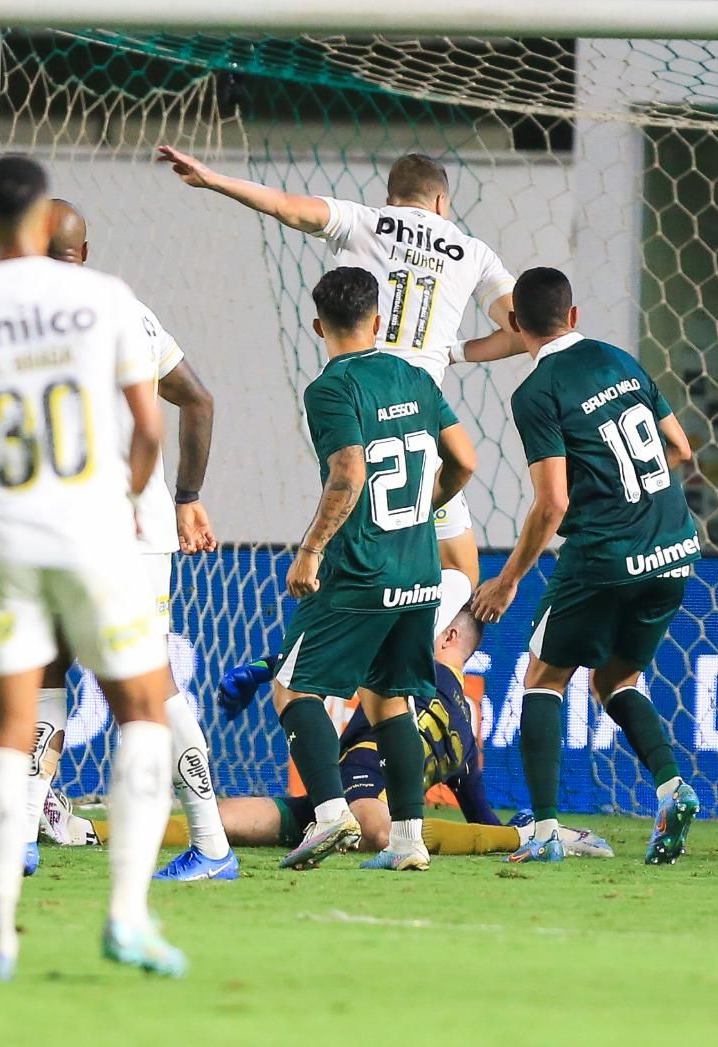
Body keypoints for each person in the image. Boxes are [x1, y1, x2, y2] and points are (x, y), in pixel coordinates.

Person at [0, 156, 185, 978]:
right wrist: (122, 499)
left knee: (4, 728)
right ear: (43, 223)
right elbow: (149, 430)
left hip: (1, 538)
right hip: (91, 534)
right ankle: (127, 918)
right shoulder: (105, 300)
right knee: (141, 709)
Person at [0, 198, 238, 882]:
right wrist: (186, 499)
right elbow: (200, 398)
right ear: (84, 252)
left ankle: (213, 843)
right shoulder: (126, 308)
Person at [156, 144, 517, 638]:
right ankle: (381, 655)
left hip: (351, 405)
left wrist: (213, 178)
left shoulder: (363, 220)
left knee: (358, 543)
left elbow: (284, 204)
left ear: (391, 197)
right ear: (441, 203)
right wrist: (452, 352)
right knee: (460, 571)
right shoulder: (470, 251)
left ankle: (337, 663)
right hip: (416, 415)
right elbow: (521, 329)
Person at [62, 607, 614, 859]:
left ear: (446, 633)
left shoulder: (404, 666)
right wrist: (502, 834)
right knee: (283, 817)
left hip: (362, 771)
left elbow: (329, 660)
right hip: (368, 782)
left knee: (342, 824)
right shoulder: (470, 724)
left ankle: (92, 831)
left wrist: (264, 668)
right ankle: (538, 836)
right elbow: (478, 814)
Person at [472, 267, 701, 865]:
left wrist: (508, 579)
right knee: (614, 680)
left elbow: (553, 503)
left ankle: (545, 829)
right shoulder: (620, 359)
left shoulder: (536, 393)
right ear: (573, 317)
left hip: (604, 555)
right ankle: (673, 787)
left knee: (542, 679)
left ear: (517, 325)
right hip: (674, 546)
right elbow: (681, 449)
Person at [269, 266, 476, 873]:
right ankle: (409, 841)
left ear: (317, 326)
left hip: (359, 570)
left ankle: (330, 814)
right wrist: (425, 506)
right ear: (380, 321)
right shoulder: (413, 375)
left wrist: (310, 550)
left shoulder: (330, 389)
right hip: (418, 571)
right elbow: (464, 459)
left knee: (292, 686)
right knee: (392, 702)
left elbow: (350, 472)